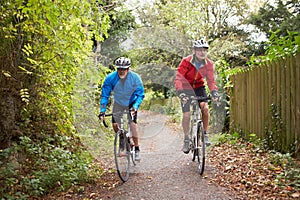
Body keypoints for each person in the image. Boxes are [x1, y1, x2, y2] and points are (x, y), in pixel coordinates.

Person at [174, 39, 219, 154]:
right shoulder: (186, 61)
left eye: (204, 50)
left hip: (199, 88)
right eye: (199, 50)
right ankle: (186, 138)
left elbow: (211, 81)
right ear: (194, 50)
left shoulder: (209, 64)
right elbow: (179, 78)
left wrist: (214, 92)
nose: (202, 52)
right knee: (187, 115)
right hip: (186, 88)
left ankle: (204, 133)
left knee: (205, 108)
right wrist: (181, 92)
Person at [98, 57, 145, 161]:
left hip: (131, 103)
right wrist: (102, 111)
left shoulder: (135, 78)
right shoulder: (110, 78)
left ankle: (137, 148)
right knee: (115, 125)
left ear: (128, 69)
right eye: (119, 69)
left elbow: (140, 94)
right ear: (116, 69)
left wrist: (135, 107)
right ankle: (122, 138)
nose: (121, 71)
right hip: (118, 103)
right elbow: (105, 95)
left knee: (132, 125)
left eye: (124, 69)